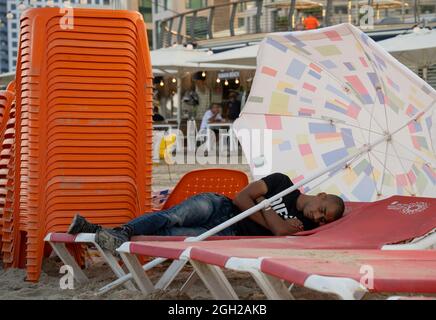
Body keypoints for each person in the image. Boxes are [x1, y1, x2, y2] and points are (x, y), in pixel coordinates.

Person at [67, 173, 345, 254]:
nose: (318, 216)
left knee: (168, 234)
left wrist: (262, 204)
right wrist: (268, 215)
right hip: (220, 205)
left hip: (228, 234)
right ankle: (120, 232)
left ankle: (96, 231)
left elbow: (279, 231)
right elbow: (240, 197)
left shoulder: (303, 225)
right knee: (169, 217)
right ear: (321, 195)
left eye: (323, 218)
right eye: (323, 209)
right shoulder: (284, 183)